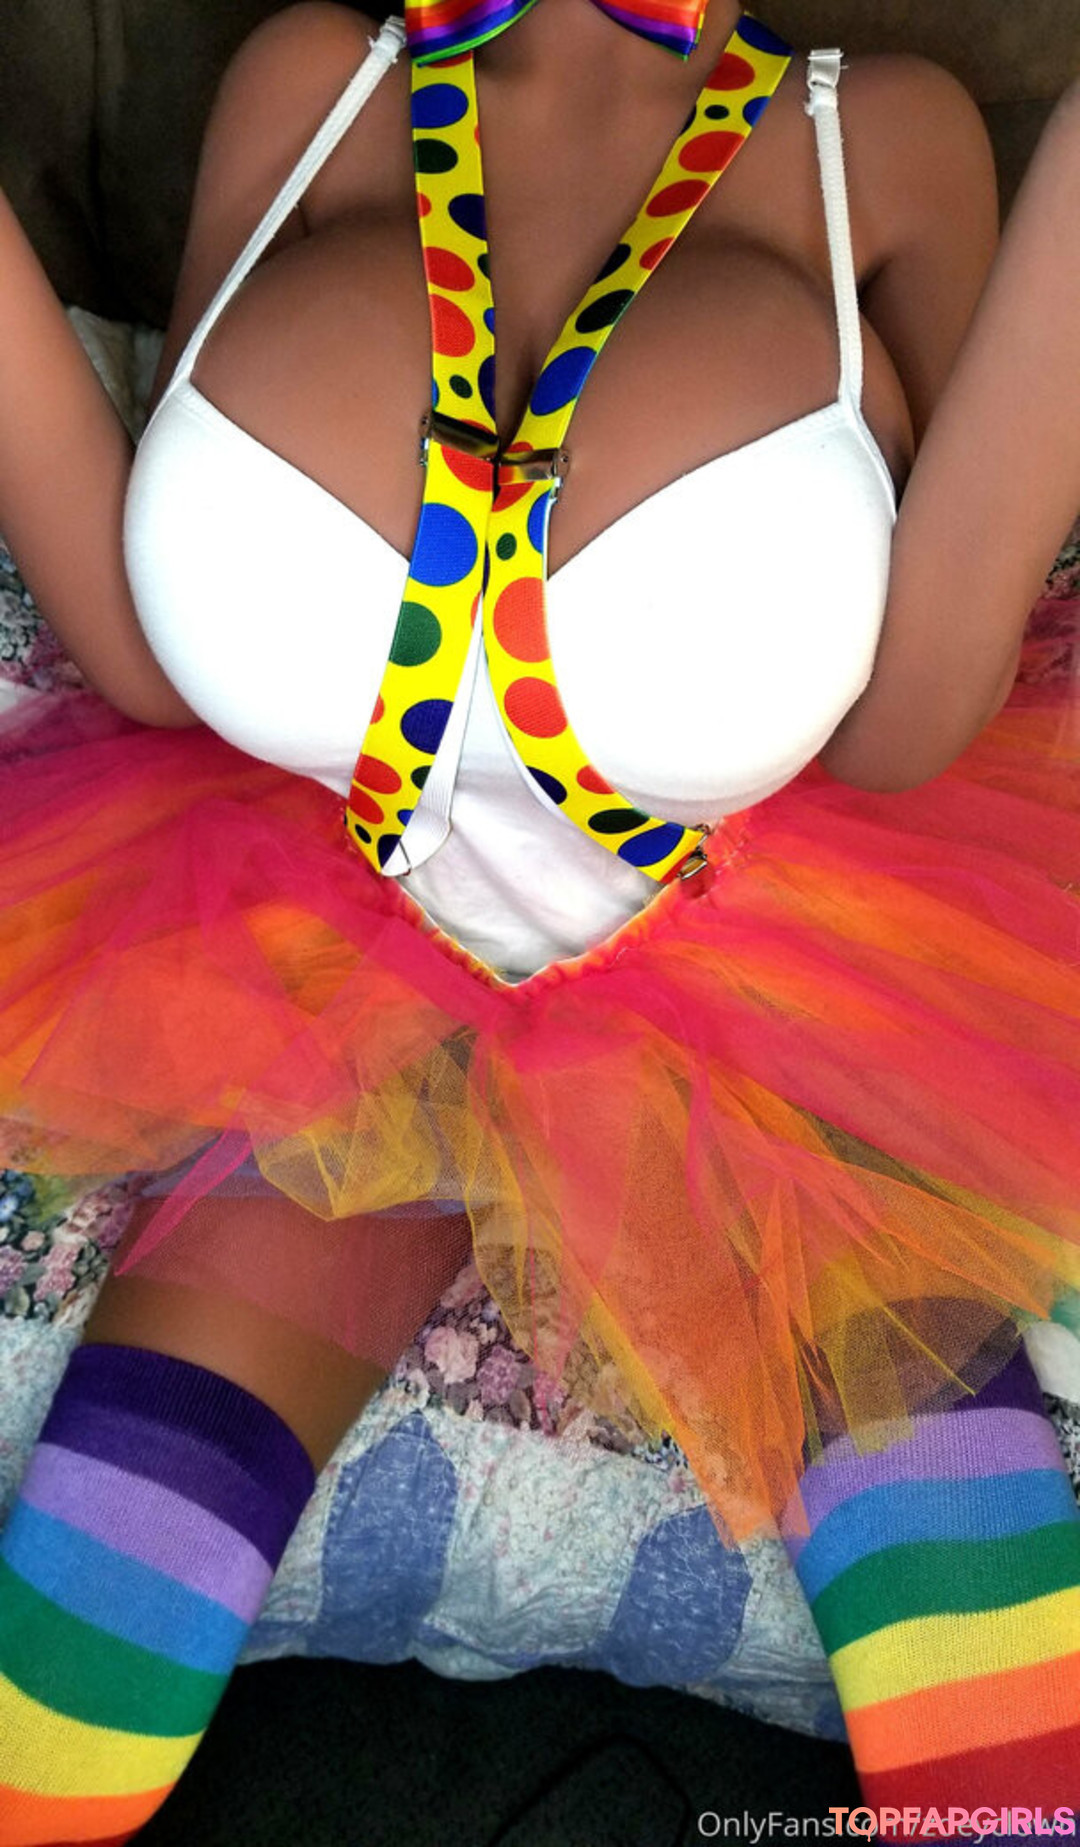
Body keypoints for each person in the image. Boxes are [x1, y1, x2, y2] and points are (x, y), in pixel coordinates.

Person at [0, 0, 1079, 1834]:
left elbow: (914, 721)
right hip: (314, 971)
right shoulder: (312, 82)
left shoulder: (888, 143)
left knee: (1009, 1777)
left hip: (776, 997)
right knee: (50, 1723)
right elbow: (155, 657)